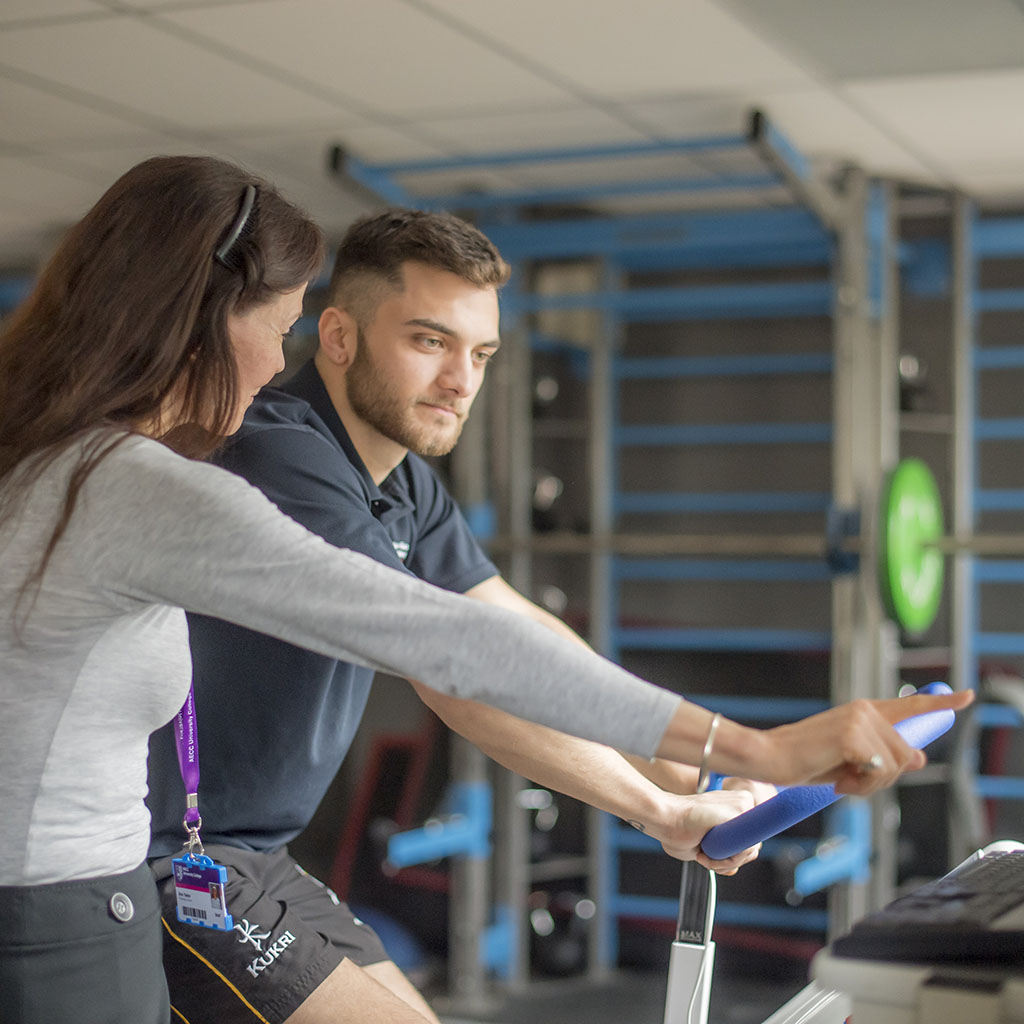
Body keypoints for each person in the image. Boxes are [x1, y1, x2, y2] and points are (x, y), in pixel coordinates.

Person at [0, 156, 968, 1024]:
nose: (462, 380)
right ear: (330, 338)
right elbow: (449, 658)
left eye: (481, 353)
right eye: (428, 342)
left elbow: (510, 621)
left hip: (232, 861)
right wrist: (720, 760)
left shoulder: (390, 479)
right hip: (166, 872)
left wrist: (677, 770)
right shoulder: (264, 457)